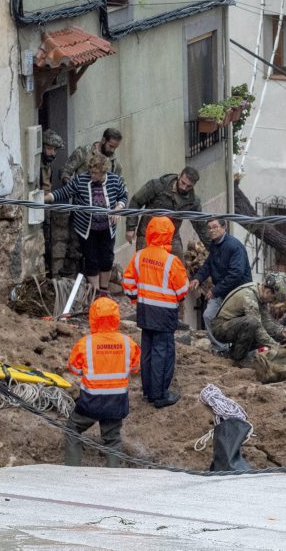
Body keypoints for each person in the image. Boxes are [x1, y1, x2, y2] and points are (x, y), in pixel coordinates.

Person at [121, 216, 190, 408]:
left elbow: (127, 282)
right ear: (169, 234)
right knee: (163, 352)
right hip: (165, 312)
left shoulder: (139, 256)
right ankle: (159, 396)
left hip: (144, 310)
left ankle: (148, 391)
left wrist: (136, 298)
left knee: (148, 350)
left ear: (149, 232)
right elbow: (182, 290)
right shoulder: (171, 261)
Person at [65, 296, 141, 468]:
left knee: (73, 429)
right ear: (116, 317)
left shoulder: (86, 343)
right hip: (116, 401)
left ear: (93, 318)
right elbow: (135, 367)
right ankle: (113, 476)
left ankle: (71, 472)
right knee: (112, 439)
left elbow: (74, 369)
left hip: (91, 401)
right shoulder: (127, 343)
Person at [45, 153, 128, 295]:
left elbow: (123, 196)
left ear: (103, 172)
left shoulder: (114, 181)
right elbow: (65, 192)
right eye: (91, 172)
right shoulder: (81, 180)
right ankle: (95, 292)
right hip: (88, 229)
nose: (92, 176)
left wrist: (118, 208)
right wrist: (47, 198)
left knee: (107, 259)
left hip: (107, 228)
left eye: (95, 173)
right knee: (91, 259)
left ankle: (103, 290)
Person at [56, 128, 124, 276]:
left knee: (100, 256)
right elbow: (65, 171)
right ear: (103, 141)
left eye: (115, 148)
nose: (112, 150)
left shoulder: (114, 164)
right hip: (81, 215)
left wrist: (117, 206)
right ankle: (69, 283)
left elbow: (120, 188)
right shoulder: (83, 152)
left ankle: (93, 287)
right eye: (111, 146)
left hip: (103, 221)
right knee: (74, 250)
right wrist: (72, 188)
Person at [192, 218, 252, 351]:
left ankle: (242, 352)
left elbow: (236, 274)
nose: (212, 230)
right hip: (222, 290)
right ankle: (220, 349)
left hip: (238, 292)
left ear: (224, 227)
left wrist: (215, 290)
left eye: (215, 227)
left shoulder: (234, 246)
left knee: (239, 322)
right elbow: (208, 264)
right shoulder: (214, 244)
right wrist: (198, 278)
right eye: (209, 228)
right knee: (208, 315)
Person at [125, 167, 210, 256]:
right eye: (183, 183)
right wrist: (130, 228)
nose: (184, 187)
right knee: (146, 264)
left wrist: (213, 248)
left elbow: (201, 226)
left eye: (189, 186)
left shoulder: (193, 202)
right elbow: (136, 201)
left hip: (172, 237)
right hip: (148, 234)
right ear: (179, 175)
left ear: (194, 185)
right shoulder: (158, 186)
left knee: (178, 266)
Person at [210, 273, 286, 363]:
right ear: (268, 292)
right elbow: (257, 327)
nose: (272, 302)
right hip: (220, 327)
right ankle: (238, 358)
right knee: (252, 323)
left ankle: (233, 353)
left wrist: (281, 331)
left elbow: (267, 322)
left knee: (275, 333)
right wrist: (274, 345)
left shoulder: (260, 297)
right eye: (273, 299)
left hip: (233, 325)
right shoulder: (249, 295)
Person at [40, 129, 64, 277]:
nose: (52, 153)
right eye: (49, 149)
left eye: (54, 150)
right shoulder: (39, 165)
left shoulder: (48, 164)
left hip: (47, 207)